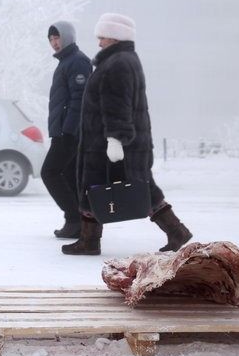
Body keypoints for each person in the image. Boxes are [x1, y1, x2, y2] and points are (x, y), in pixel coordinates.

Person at [62, 13, 192, 255]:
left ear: (114, 37)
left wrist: (115, 139)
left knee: (103, 186)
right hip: (117, 141)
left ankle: (92, 241)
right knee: (135, 187)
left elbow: (117, 104)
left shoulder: (118, 63)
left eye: (102, 37)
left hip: (110, 142)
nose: (99, 42)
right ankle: (90, 240)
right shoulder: (121, 59)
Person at [41, 21, 92, 239]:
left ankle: (73, 218)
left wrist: (67, 131)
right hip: (63, 130)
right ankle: (78, 222)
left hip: (70, 132)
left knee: (50, 172)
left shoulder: (78, 62)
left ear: (68, 37)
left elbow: (79, 99)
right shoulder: (66, 62)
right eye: (51, 39)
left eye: (57, 38)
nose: (54, 43)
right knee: (69, 176)